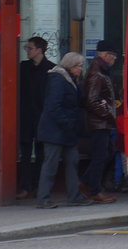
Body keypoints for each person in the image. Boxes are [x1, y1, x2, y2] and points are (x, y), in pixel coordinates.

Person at [35, 52, 92, 209]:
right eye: (79, 66)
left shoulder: (70, 80)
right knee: (51, 164)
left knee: (72, 162)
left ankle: (74, 196)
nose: (81, 69)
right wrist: (67, 124)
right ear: (70, 66)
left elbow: (80, 100)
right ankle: (43, 198)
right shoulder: (58, 80)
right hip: (56, 131)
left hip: (67, 130)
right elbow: (53, 107)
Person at [82, 40, 119, 204]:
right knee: (101, 156)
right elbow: (91, 100)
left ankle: (86, 183)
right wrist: (108, 114)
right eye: (113, 55)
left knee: (107, 153)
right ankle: (93, 189)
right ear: (105, 55)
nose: (114, 59)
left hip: (101, 123)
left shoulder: (102, 71)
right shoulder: (97, 73)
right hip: (99, 123)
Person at [17, 36, 54, 199]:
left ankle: (40, 186)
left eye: (30, 48)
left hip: (41, 117)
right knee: (25, 153)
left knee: (41, 153)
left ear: (39, 50)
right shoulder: (23, 68)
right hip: (26, 116)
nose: (27, 51)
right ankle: (26, 186)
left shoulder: (51, 69)